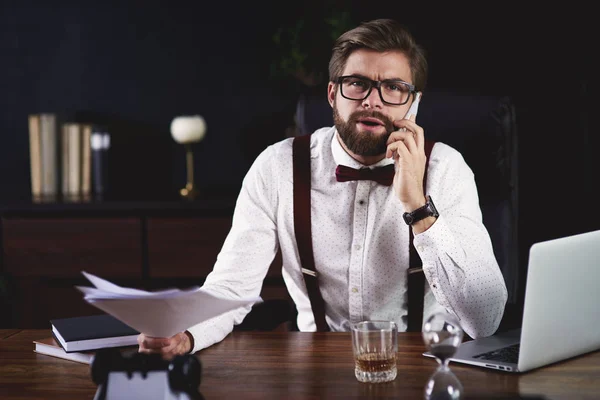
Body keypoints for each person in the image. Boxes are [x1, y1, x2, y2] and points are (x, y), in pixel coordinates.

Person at [138, 18, 508, 358]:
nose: (372, 100)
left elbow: (485, 318)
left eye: (393, 88)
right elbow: (231, 289)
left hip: (420, 367)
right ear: (332, 94)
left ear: (414, 104)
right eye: (357, 83)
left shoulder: (446, 169)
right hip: (313, 369)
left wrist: (418, 207)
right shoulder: (278, 166)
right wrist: (185, 335)